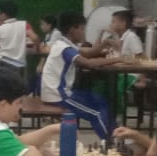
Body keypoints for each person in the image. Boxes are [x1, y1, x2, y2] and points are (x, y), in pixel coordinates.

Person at [40, 11, 121, 140]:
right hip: (58, 95)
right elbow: (89, 63)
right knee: (96, 113)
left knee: (101, 101)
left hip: (62, 92)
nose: (84, 32)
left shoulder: (65, 44)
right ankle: (111, 143)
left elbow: (88, 53)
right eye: (82, 29)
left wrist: (105, 43)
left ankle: (117, 134)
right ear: (72, 29)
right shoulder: (64, 48)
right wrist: (120, 59)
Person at [0, 1, 37, 70]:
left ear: (3, 15)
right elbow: (35, 38)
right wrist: (38, 48)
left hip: (4, 62)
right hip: (20, 64)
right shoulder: (24, 24)